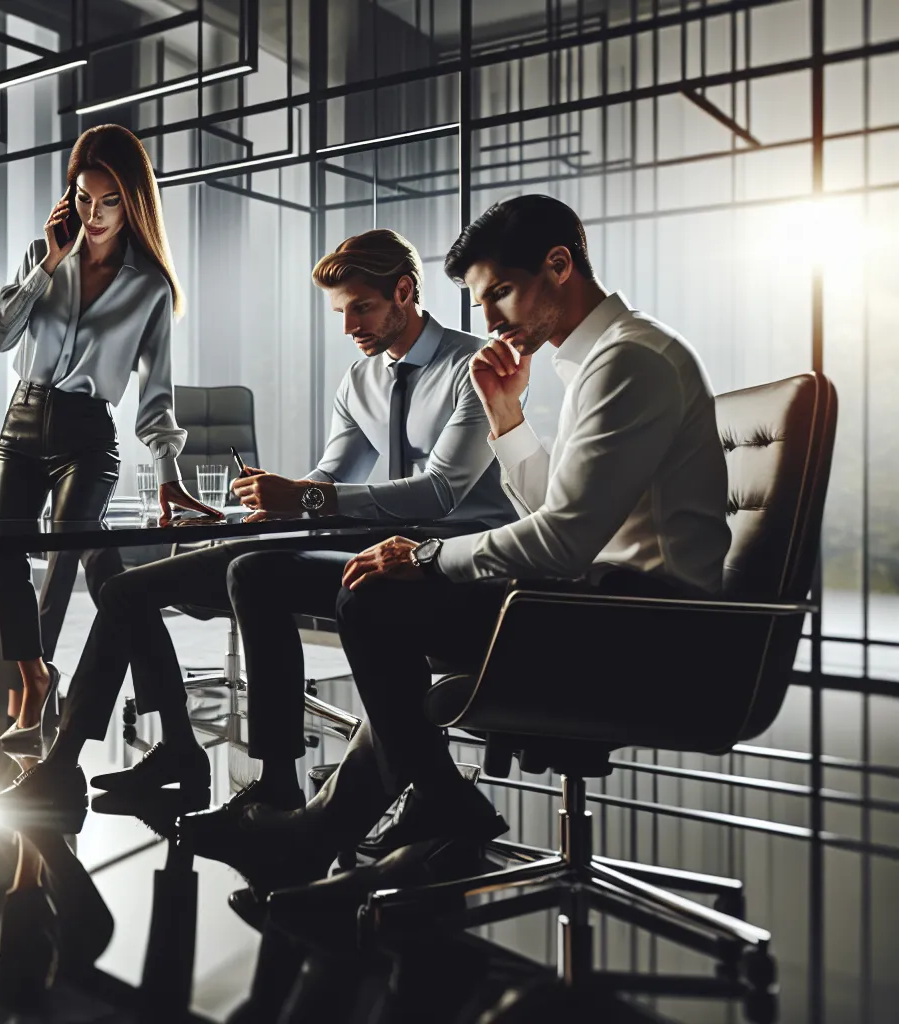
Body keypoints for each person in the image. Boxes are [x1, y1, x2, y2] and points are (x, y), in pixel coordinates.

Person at [181, 194, 731, 891]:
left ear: (558, 265)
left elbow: (560, 540)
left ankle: (428, 807)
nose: (490, 318)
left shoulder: (631, 361)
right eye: (482, 299)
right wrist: (508, 419)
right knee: (276, 576)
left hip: (632, 620)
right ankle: (397, 806)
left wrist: (424, 555)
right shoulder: (599, 361)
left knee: (374, 599)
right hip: (590, 596)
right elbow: (552, 508)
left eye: (499, 292)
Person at [0, 229, 513, 827]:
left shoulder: (472, 367)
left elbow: (441, 493)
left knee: (255, 573)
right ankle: (139, 757)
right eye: (341, 313)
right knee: (125, 591)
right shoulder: (361, 380)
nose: (350, 328)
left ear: (403, 292)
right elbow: (331, 479)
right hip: (372, 544)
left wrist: (308, 497)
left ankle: (274, 784)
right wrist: (279, 501)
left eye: (361, 308)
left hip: (449, 555)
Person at [0, 123, 217, 751]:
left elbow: (156, 395)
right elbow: (1, 335)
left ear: (133, 200)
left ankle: (138, 724)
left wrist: (171, 479)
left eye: (108, 200)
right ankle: (39, 677)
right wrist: (50, 263)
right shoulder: (43, 254)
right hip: (22, 420)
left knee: (67, 560)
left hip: (88, 438)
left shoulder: (151, 288)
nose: (94, 213)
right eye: (83, 198)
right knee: (5, 554)